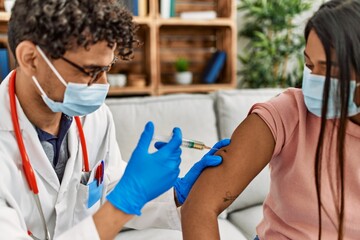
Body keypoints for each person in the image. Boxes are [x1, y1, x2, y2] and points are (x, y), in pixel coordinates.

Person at [0, 0, 230, 239]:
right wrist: (130, 197)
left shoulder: (95, 118)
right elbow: (122, 201)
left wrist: (176, 194)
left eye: (108, 68)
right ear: (30, 59)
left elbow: (108, 188)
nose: (104, 85)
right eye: (91, 71)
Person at [181, 0, 360, 239]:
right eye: (309, 65)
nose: (315, 80)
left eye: (329, 70)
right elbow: (199, 207)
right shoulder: (288, 113)